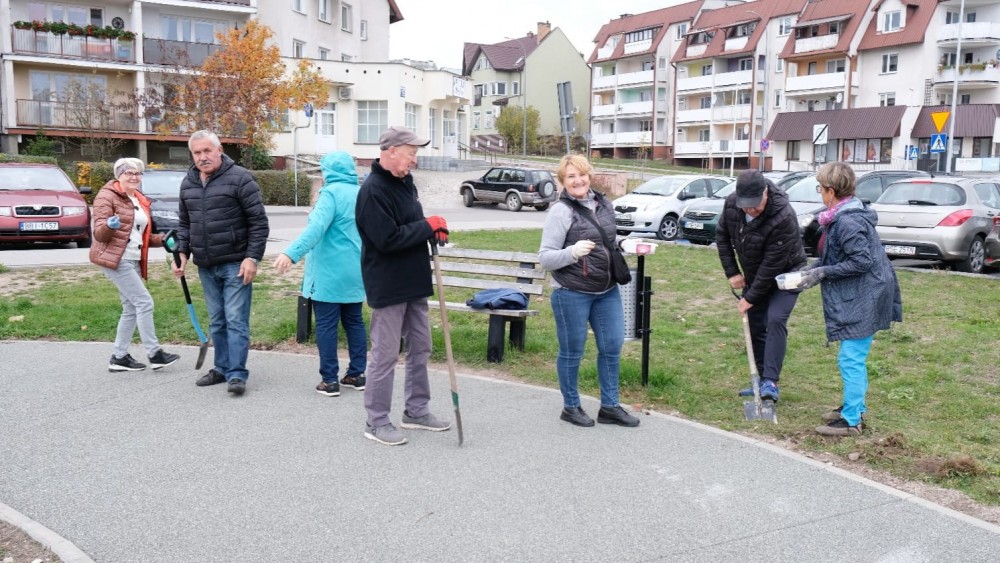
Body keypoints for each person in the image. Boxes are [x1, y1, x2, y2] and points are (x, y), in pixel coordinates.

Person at [354, 125, 451, 445]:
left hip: (414, 281)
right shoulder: (372, 191)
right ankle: (377, 420)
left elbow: (411, 224)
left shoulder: (405, 184)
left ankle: (416, 410)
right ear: (392, 151)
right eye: (411, 154)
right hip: (388, 285)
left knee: (421, 346)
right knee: (385, 355)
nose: (414, 160)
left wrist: (433, 229)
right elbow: (387, 239)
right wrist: (426, 226)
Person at [797, 162, 902, 436]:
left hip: (867, 294)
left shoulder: (847, 220)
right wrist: (813, 269)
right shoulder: (841, 215)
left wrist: (823, 272)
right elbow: (836, 255)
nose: (819, 193)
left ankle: (852, 421)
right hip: (864, 292)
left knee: (851, 358)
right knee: (854, 356)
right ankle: (854, 407)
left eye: (820, 188)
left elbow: (861, 262)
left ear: (831, 191)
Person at [538, 154, 640, 428]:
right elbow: (545, 258)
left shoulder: (604, 204)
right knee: (572, 351)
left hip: (606, 290)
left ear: (590, 176)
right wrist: (572, 252)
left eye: (581, 174)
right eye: (571, 176)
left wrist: (625, 244)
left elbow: (606, 239)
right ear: (563, 181)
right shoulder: (561, 211)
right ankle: (571, 407)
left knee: (612, 346)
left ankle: (610, 407)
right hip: (571, 292)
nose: (578, 180)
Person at [171, 130, 270, 396]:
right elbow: (185, 224)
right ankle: (222, 368)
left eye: (207, 151)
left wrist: (252, 257)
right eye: (197, 152)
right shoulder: (188, 182)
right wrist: (182, 252)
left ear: (219, 150)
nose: (202, 157)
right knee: (217, 321)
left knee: (235, 319)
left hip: (236, 263)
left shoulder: (240, 178)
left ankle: (236, 374)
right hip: (206, 264)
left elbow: (258, 223)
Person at [274, 151, 367, 396]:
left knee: (326, 325)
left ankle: (329, 380)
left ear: (329, 172)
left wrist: (291, 253)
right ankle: (357, 374)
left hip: (329, 272)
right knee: (354, 322)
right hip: (356, 270)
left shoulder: (330, 193)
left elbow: (316, 229)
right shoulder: (361, 193)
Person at [716, 169, 808, 402]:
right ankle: (759, 378)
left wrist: (750, 298)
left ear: (765, 192)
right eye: (745, 206)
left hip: (787, 274)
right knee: (756, 323)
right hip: (754, 274)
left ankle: (771, 382)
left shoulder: (783, 216)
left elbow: (771, 266)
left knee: (775, 318)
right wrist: (732, 272)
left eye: (755, 205)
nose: (750, 210)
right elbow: (722, 235)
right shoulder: (732, 205)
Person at [90, 158, 180, 372]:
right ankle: (155, 353)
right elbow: (99, 233)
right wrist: (109, 226)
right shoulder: (106, 196)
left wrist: (162, 239)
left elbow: (140, 234)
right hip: (116, 258)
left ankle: (119, 357)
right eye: (128, 173)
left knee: (131, 308)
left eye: (137, 173)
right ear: (118, 175)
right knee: (144, 302)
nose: (134, 177)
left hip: (133, 257)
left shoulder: (138, 198)